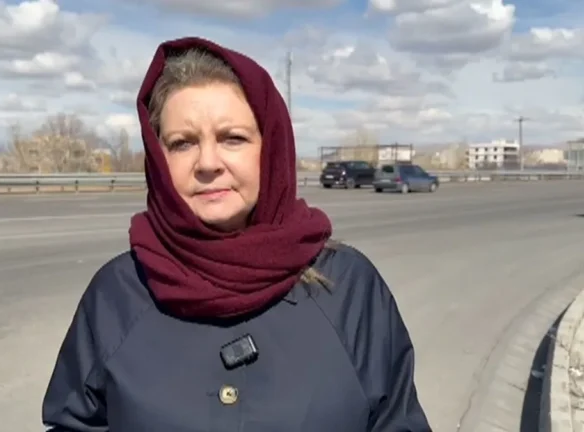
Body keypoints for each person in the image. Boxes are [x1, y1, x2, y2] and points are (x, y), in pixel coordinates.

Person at [41, 36, 431, 432]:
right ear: (158, 160)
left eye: (233, 138)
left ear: (270, 149)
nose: (207, 163)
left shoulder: (347, 288)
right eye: (182, 143)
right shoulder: (118, 294)